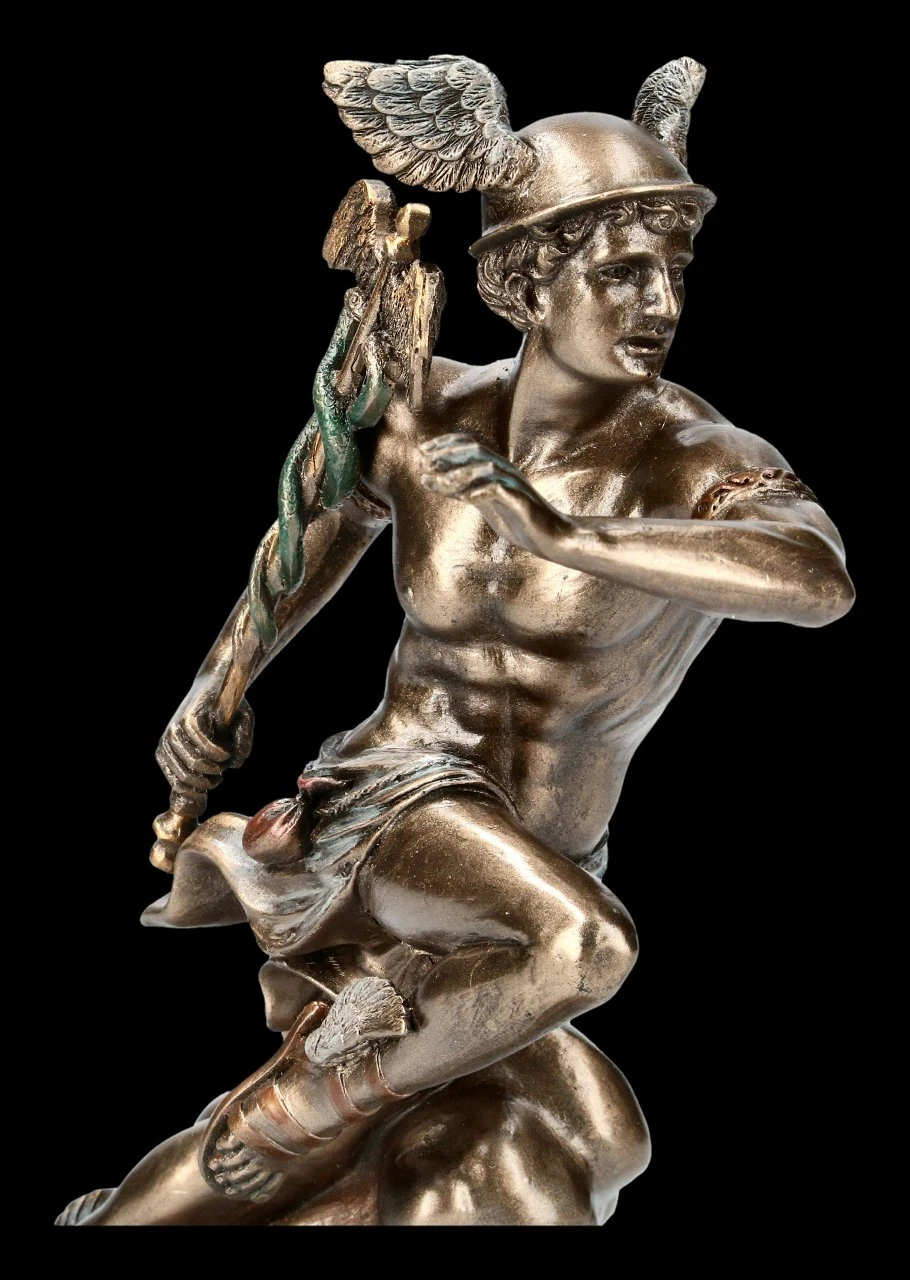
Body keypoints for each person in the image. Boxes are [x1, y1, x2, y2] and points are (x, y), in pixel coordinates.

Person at [57, 54, 854, 1227]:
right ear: (526, 284)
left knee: (585, 1145)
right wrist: (216, 685)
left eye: (673, 271)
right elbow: (310, 528)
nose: (659, 305)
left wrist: (565, 533)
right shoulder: (429, 408)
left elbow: (815, 579)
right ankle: (299, 1107)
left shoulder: (690, 458)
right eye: (620, 272)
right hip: (396, 798)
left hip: (530, 849)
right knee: (582, 948)